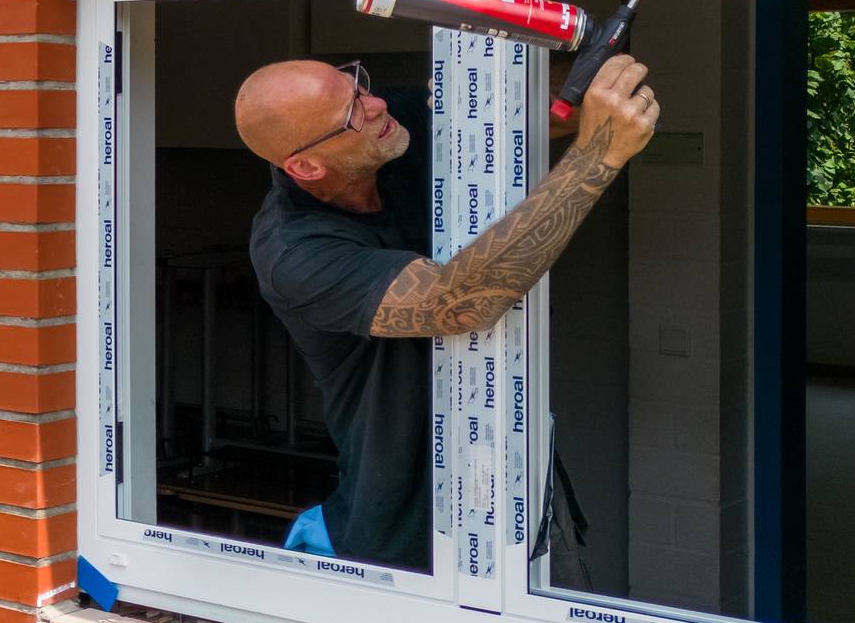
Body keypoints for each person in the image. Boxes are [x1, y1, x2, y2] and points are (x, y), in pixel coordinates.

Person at [232, 53, 659, 571]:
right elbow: (460, 303)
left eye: (358, 84)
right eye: (352, 112)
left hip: (519, 486)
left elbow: (520, 117)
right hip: (410, 534)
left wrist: (572, 75)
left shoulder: (386, 129)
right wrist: (596, 156)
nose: (376, 103)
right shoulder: (294, 252)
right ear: (306, 166)